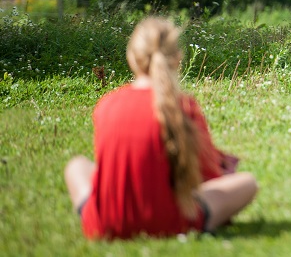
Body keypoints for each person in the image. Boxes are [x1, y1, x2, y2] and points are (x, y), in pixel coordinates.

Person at [63, 17, 258, 239]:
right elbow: (207, 176)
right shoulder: (183, 106)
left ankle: (95, 215)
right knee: (247, 182)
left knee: (76, 166)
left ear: (131, 58)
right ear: (177, 60)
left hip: (107, 222)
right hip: (170, 221)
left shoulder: (106, 104)